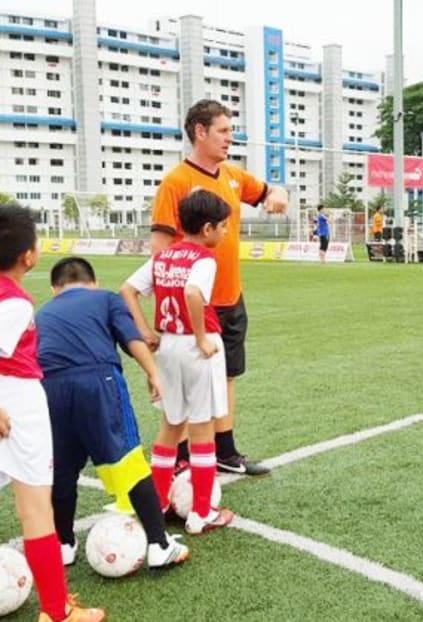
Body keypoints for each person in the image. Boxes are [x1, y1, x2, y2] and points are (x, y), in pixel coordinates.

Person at [150, 99, 286, 477]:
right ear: (200, 132)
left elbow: (274, 191)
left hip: (230, 297)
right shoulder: (176, 182)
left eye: (230, 131)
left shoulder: (234, 176)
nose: (230, 138)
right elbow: (161, 248)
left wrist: (278, 195)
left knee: (226, 377)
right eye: (223, 131)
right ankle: (177, 456)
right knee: (184, 380)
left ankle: (225, 451)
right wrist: (168, 305)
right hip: (191, 306)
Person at [36, 257, 189, 569]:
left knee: (62, 468)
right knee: (127, 461)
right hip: (97, 383)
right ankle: (159, 545)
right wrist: (153, 373)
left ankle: (63, 543)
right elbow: (131, 338)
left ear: (55, 289)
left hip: (49, 388)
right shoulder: (105, 298)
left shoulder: (44, 312)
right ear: (92, 282)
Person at [0, 205, 105, 622]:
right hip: (18, 404)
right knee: (36, 509)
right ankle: (57, 611)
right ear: (28, 256)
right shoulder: (15, 302)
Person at [123, 191, 235, 535]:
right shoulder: (204, 259)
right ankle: (201, 513)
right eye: (224, 226)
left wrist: (145, 331)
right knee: (202, 429)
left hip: (168, 345)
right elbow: (192, 293)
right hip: (197, 348)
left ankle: (157, 502)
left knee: (171, 425)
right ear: (206, 228)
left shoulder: (163, 257)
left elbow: (127, 290)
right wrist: (201, 337)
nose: (227, 232)